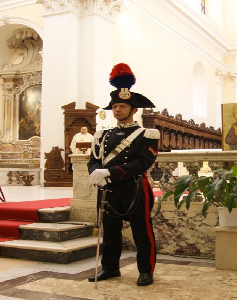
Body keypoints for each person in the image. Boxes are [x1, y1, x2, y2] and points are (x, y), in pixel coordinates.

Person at [87, 63, 159, 286]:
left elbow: (143, 163)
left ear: (133, 109)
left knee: (142, 231)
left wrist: (108, 172)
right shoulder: (103, 135)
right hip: (108, 189)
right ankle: (110, 268)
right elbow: (94, 160)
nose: (117, 110)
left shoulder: (147, 134)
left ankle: (146, 271)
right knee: (110, 231)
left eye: (121, 106)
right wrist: (95, 173)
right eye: (115, 106)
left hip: (134, 188)